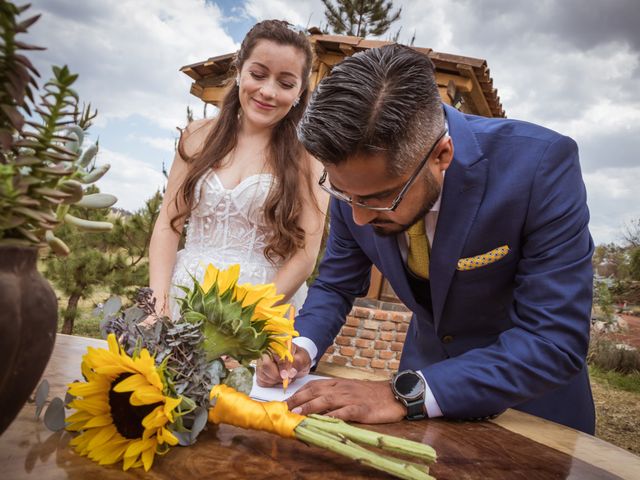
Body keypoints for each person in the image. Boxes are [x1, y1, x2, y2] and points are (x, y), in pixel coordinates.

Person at [257, 44, 596, 434]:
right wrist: (303, 347)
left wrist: (404, 394)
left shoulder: (540, 166)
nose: (359, 217)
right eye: (343, 193)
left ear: (442, 155)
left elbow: (553, 339)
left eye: (381, 198)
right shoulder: (357, 185)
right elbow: (335, 284)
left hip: (533, 413)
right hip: (421, 416)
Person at [148, 20, 327, 320]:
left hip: (260, 313)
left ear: (299, 91)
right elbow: (168, 223)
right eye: (258, 74)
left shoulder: (309, 156)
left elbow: (306, 255)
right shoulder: (196, 137)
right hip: (186, 299)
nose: (268, 91)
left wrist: (244, 324)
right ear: (239, 70)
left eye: (285, 83)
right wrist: (160, 306)